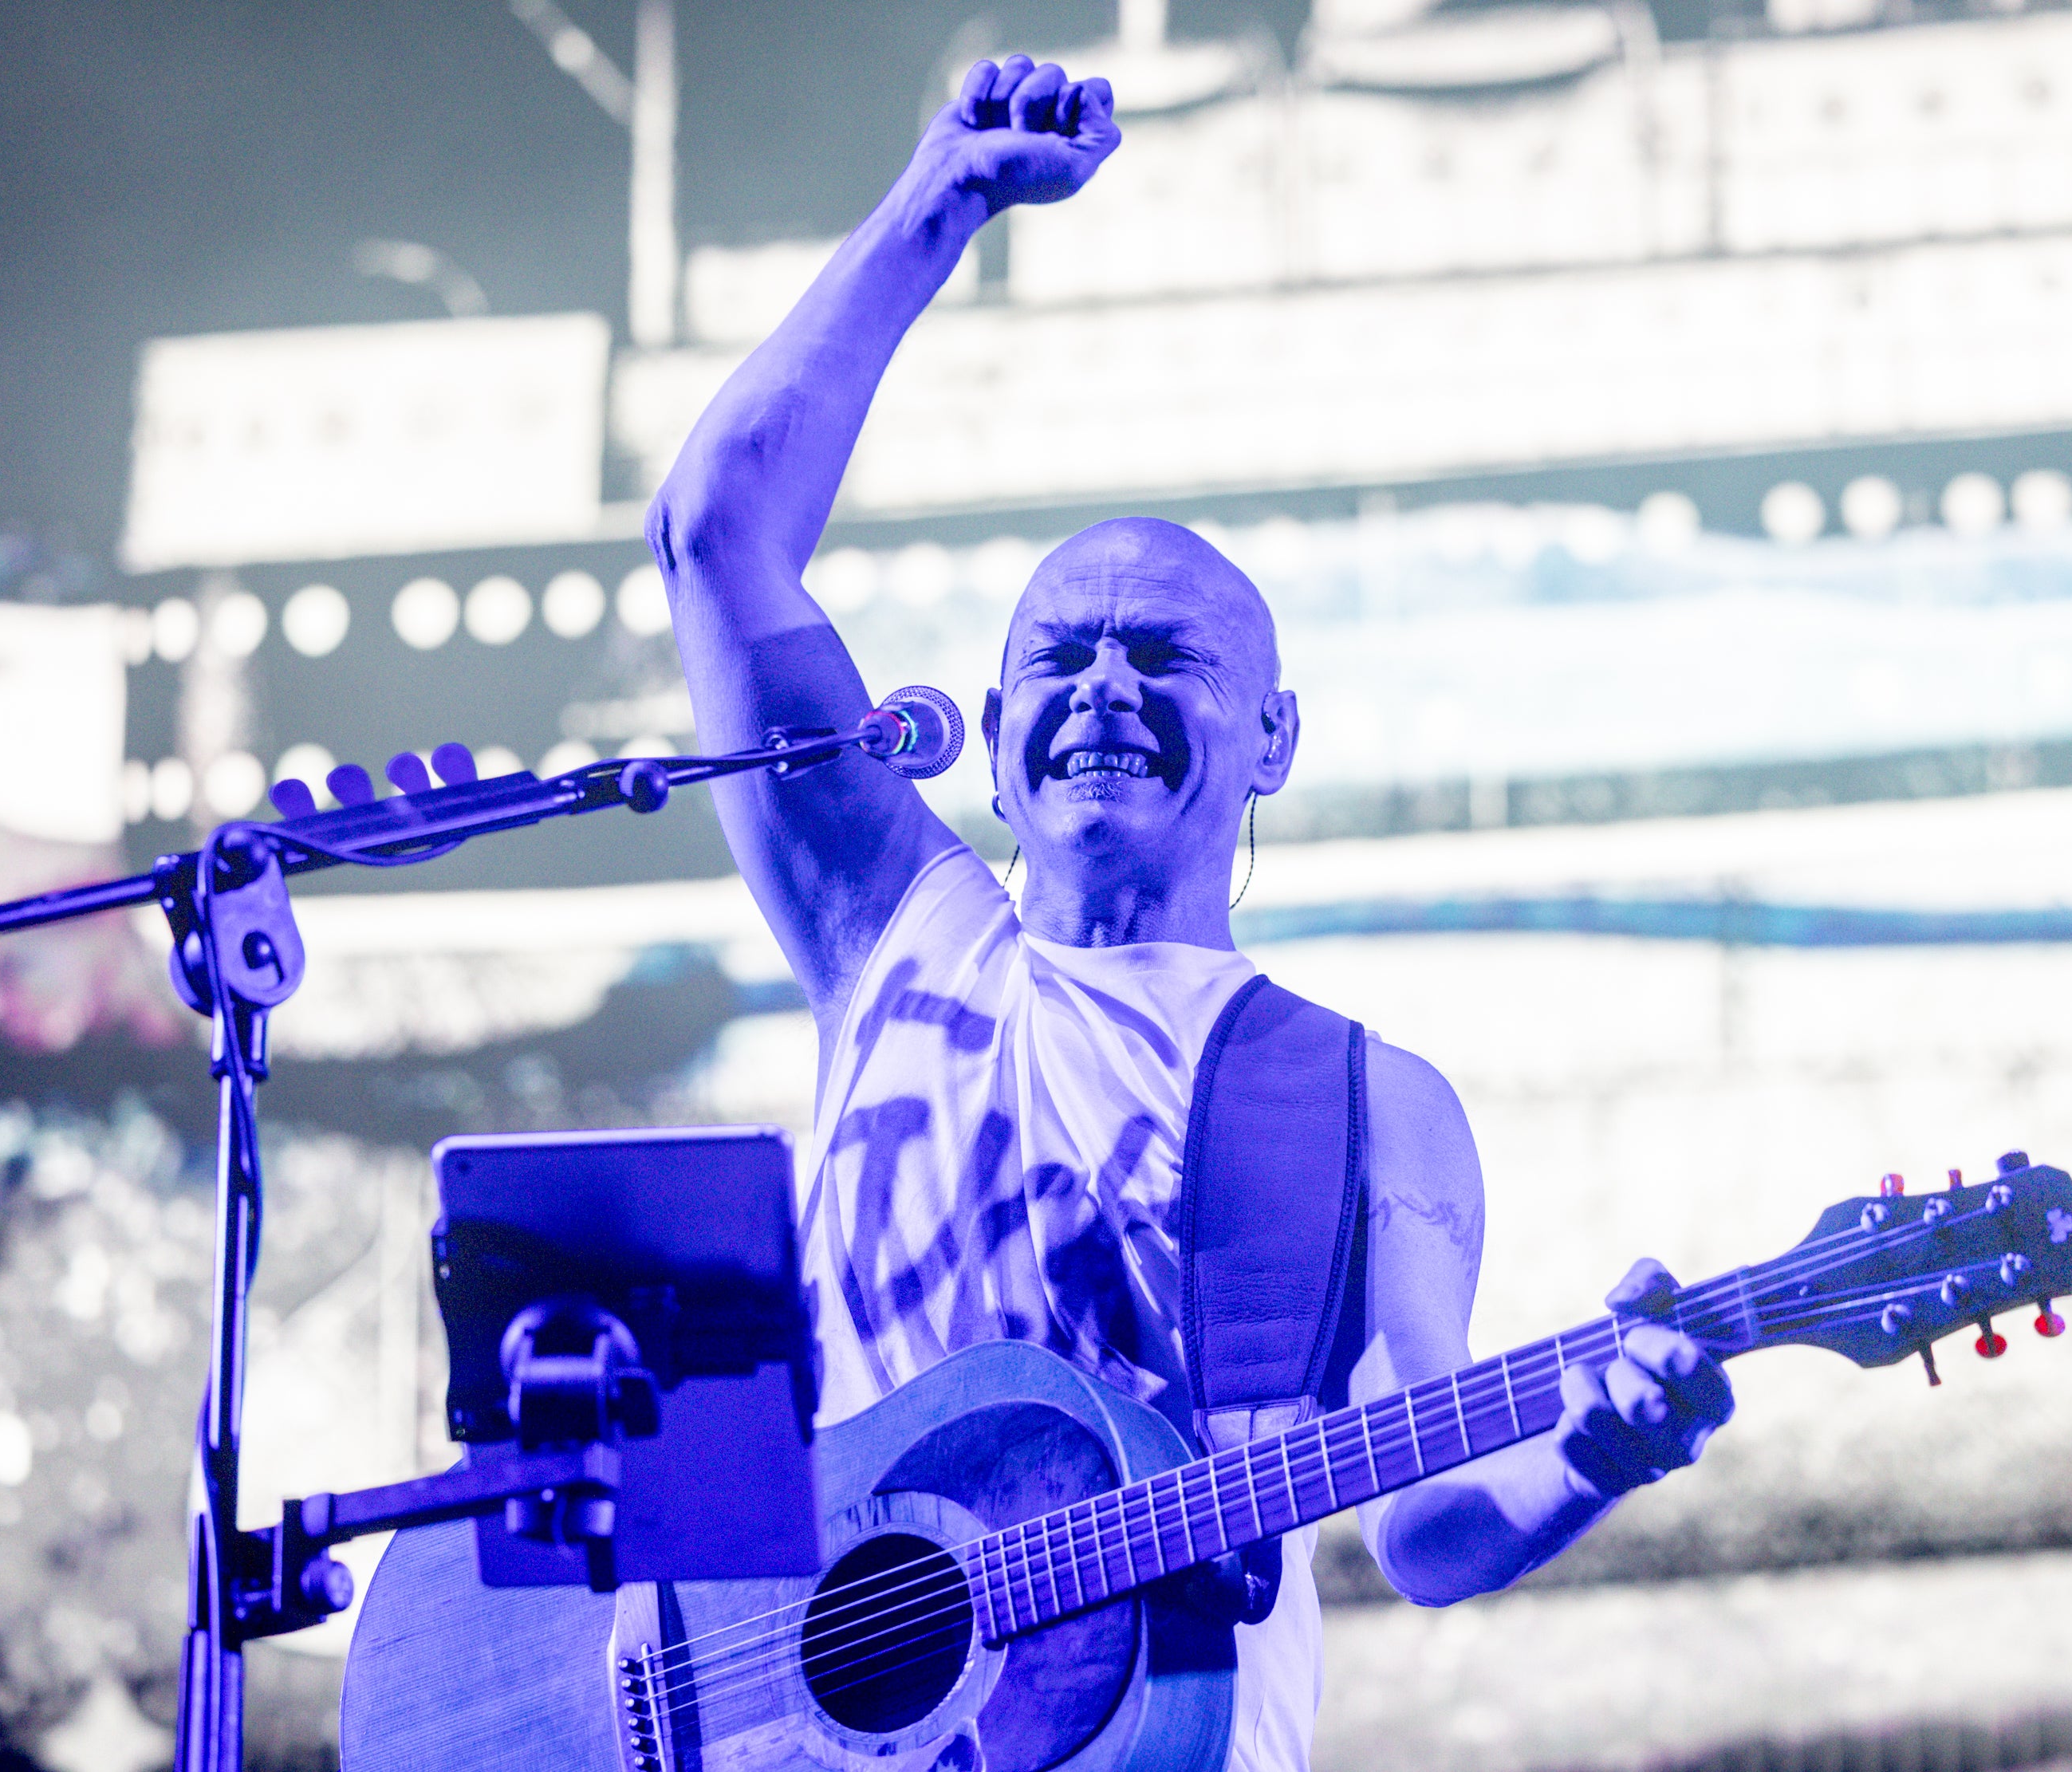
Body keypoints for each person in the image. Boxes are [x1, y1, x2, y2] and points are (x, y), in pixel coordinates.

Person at [644, 55, 1734, 1772]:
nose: (1100, 686)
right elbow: (716, 534)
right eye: (1056, 657)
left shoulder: (1363, 1102)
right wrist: (939, 199)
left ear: (1272, 735)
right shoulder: (892, 932)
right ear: (990, 743)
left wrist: (1591, 1443)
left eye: (1163, 655)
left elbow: (1422, 1514)